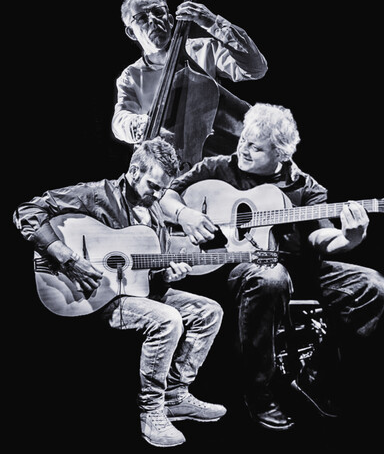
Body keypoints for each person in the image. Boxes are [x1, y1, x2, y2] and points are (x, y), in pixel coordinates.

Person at [159, 103, 384, 431]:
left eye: (256, 147)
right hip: (234, 268)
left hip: (298, 268)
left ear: (280, 155)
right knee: (270, 277)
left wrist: (349, 238)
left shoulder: (305, 187)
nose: (243, 149)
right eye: (244, 140)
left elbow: (320, 239)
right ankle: (259, 390)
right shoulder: (217, 167)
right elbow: (165, 196)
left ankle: (315, 375)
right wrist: (186, 215)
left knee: (373, 286)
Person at [12, 137, 226, 448]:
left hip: (135, 293)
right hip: (98, 295)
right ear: (134, 171)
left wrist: (168, 274)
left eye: (164, 190)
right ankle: (151, 411)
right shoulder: (97, 194)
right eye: (153, 186)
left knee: (209, 311)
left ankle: (176, 396)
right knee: (168, 319)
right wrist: (68, 258)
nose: (158, 195)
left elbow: (149, 279)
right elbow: (26, 211)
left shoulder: (155, 214)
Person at [111, 0, 268, 148]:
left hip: (212, 151)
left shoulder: (204, 49)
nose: (153, 20)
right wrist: (145, 125)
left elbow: (256, 69)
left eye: (158, 12)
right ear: (131, 32)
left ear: (170, 20)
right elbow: (120, 121)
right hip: (166, 158)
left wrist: (214, 24)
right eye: (142, 18)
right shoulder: (130, 76)